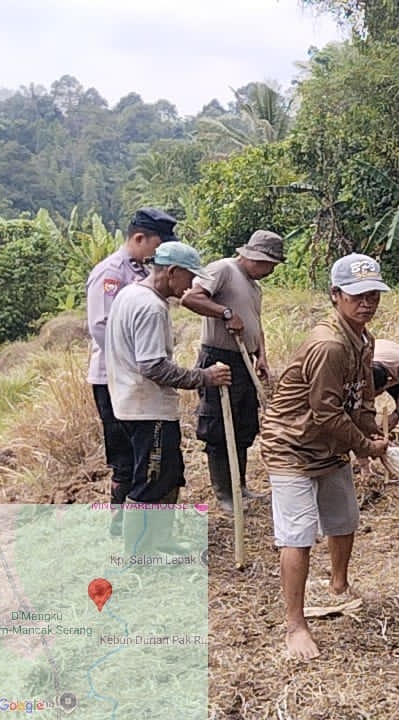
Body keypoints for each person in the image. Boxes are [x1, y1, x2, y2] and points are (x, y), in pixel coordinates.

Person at [259, 253, 391, 661]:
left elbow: (361, 397)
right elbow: (326, 413)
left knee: (344, 518)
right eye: (357, 295)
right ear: (335, 295)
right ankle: (295, 625)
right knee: (298, 534)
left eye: (373, 295)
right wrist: (365, 447)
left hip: (329, 443)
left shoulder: (363, 339)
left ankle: (339, 585)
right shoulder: (329, 345)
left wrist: (371, 427)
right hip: (292, 444)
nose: (366, 303)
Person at [104, 242, 232, 553]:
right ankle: (140, 553)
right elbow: (152, 366)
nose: (191, 285)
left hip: (131, 403)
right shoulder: (151, 307)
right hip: (147, 410)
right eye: (189, 277)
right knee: (150, 482)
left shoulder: (129, 294)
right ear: (172, 272)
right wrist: (203, 377)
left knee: (167, 476)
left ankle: (160, 541)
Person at [86, 208, 177, 535]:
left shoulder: (142, 271)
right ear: (139, 238)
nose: (159, 253)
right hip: (113, 378)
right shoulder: (110, 272)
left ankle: (142, 529)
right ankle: (122, 525)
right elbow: (101, 326)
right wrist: (131, 363)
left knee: (145, 458)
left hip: (138, 381)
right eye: (158, 245)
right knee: (125, 458)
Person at [181, 230, 285, 512]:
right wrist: (225, 313)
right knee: (218, 426)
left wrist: (261, 356)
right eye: (268, 265)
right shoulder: (223, 269)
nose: (270, 271)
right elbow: (191, 298)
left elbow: (255, 324)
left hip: (244, 361)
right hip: (219, 358)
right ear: (253, 257)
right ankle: (224, 493)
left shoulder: (254, 287)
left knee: (243, 425)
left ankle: (239, 487)